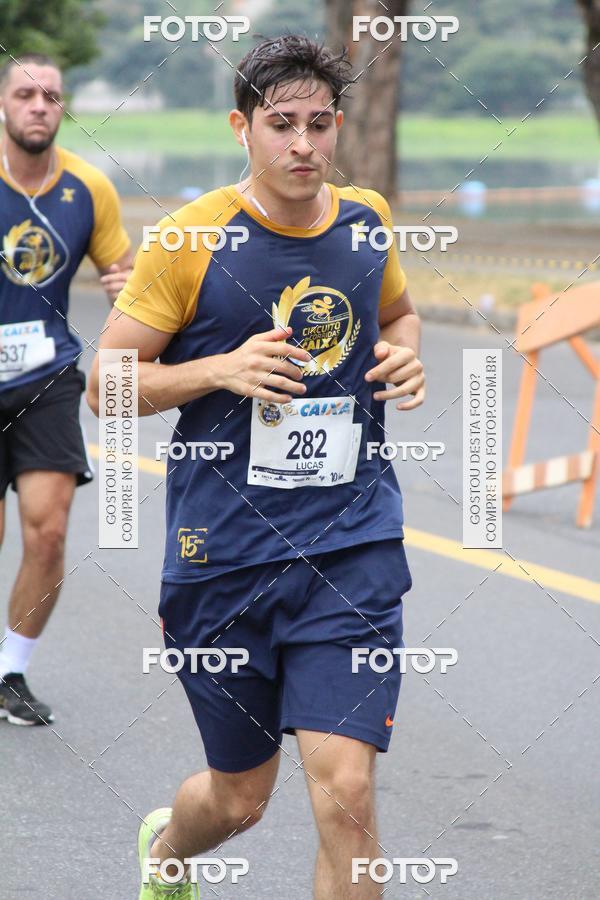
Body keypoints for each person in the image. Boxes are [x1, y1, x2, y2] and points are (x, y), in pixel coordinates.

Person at [88, 34, 425, 900]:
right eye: (282, 124)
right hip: (224, 559)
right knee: (241, 800)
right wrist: (216, 370)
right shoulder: (189, 238)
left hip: (351, 548)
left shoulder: (367, 220)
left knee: (347, 795)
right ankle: (167, 852)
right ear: (244, 127)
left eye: (319, 124)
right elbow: (105, 387)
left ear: (339, 127)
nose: (303, 144)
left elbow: (401, 316)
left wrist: (403, 356)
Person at [0, 54, 132, 726]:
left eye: (51, 95)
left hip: (45, 375)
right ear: (4, 104)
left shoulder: (88, 188)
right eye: (25, 93)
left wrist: (120, 285)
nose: (39, 105)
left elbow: (127, 278)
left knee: (48, 531)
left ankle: (11, 670)